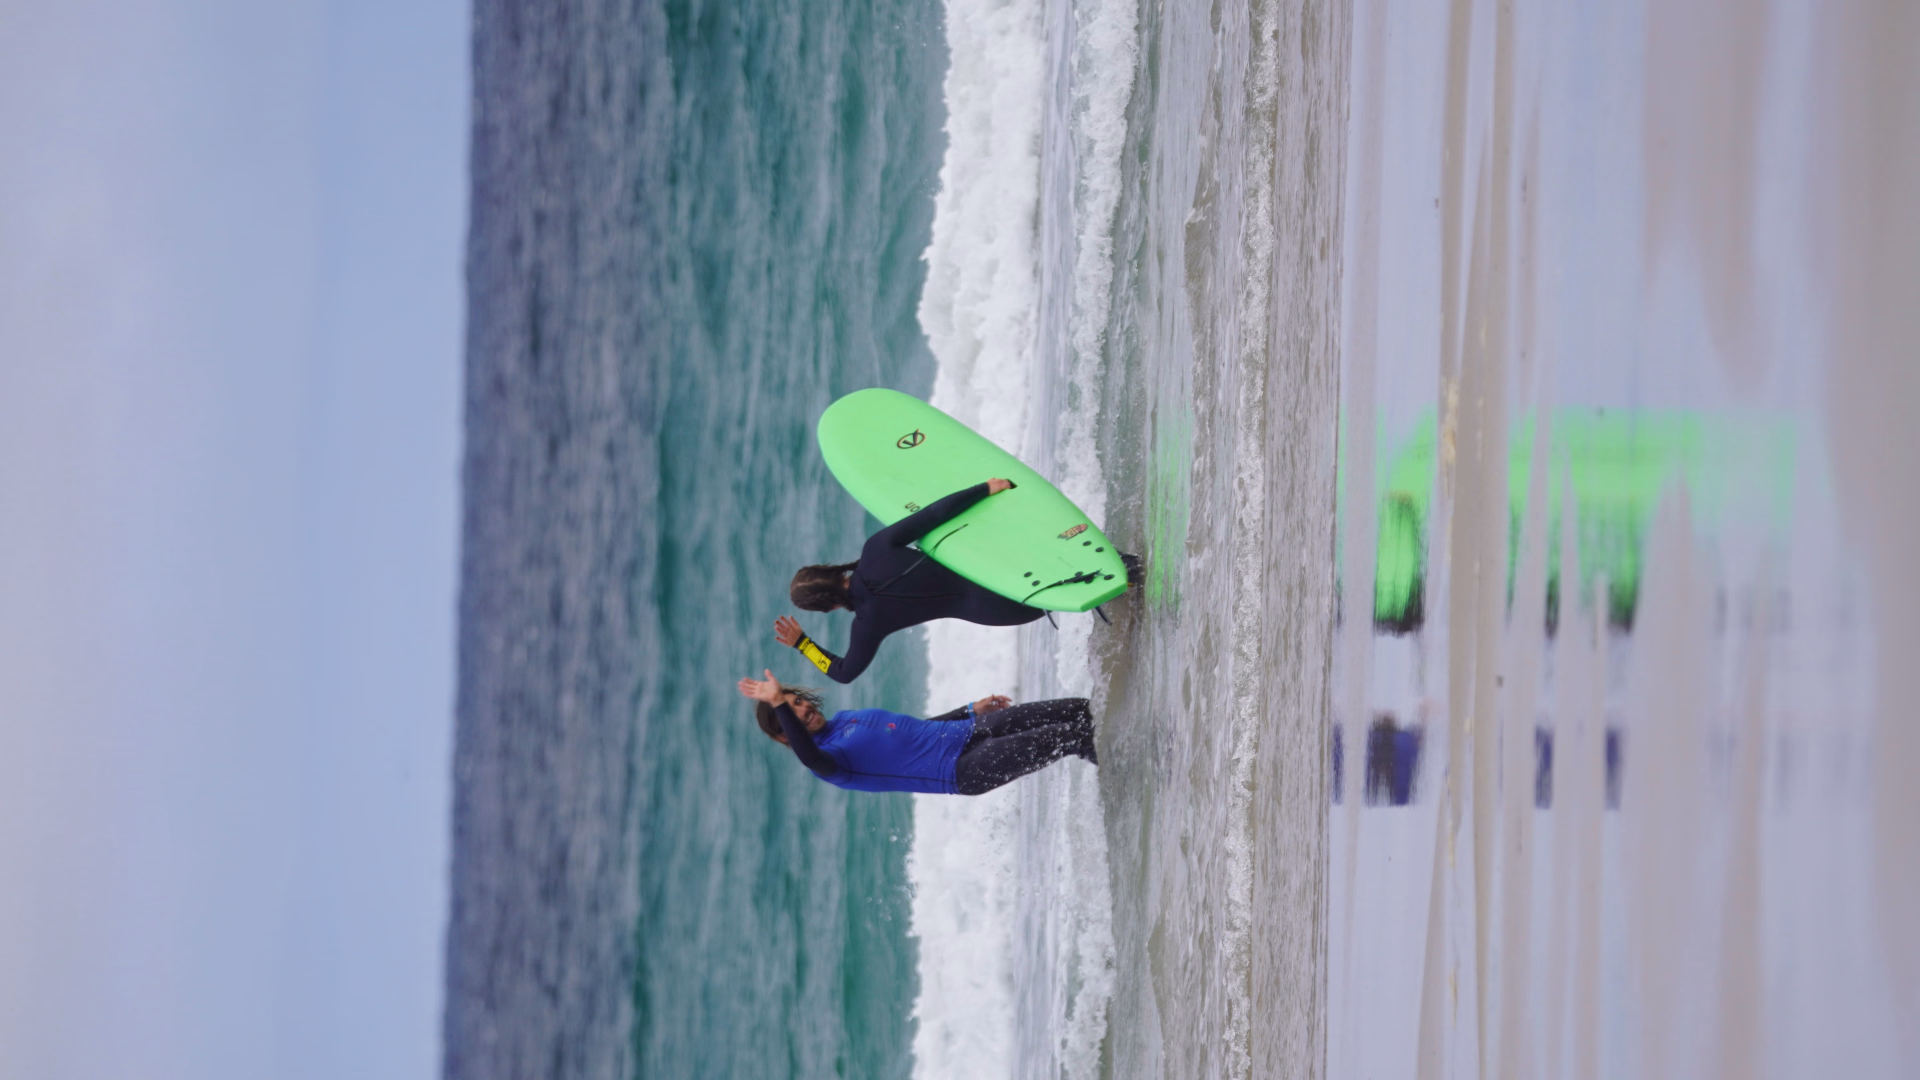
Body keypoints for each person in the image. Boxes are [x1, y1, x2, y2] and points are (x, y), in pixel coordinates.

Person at [774, 478, 1046, 683]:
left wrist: (803, 644)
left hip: (1007, 612)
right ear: (831, 571)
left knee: (1060, 599)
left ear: (828, 608)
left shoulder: (867, 625)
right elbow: (934, 514)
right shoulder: (876, 549)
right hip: (995, 568)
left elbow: (844, 674)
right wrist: (986, 488)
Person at [734, 669, 1097, 795]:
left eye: (798, 701)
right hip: (962, 769)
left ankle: (1134, 740)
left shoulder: (846, 718)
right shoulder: (831, 763)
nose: (803, 708)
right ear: (785, 737)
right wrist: (777, 701)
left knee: (1077, 709)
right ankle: (1136, 762)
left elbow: (916, 733)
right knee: (1070, 736)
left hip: (968, 730)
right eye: (791, 710)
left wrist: (968, 710)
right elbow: (809, 755)